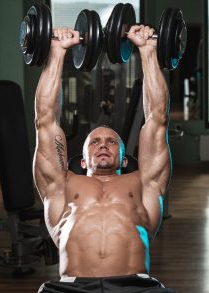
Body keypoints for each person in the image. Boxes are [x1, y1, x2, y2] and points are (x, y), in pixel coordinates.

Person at [33, 24, 172, 293]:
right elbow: (45, 122)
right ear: (82, 160)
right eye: (94, 141)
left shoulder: (144, 184)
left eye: (111, 141)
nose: (103, 145)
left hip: (136, 287)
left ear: (123, 159)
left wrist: (147, 50)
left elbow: (157, 119)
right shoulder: (62, 186)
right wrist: (57, 51)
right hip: (72, 288)